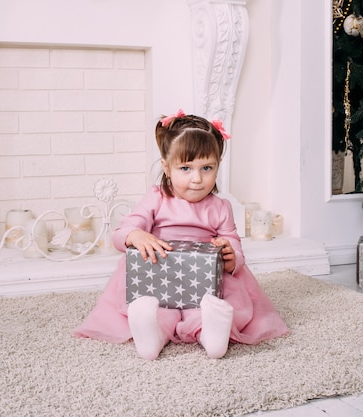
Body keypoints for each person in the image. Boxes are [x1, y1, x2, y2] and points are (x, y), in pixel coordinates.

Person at [73, 110, 289, 360]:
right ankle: (151, 334)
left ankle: (212, 335)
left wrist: (231, 256)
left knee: (214, 304)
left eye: (206, 168)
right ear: (166, 167)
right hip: (158, 273)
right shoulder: (157, 198)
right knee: (159, 307)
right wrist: (136, 235)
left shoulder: (220, 207)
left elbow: (233, 243)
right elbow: (120, 233)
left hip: (205, 278)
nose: (197, 179)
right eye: (185, 168)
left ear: (218, 166)